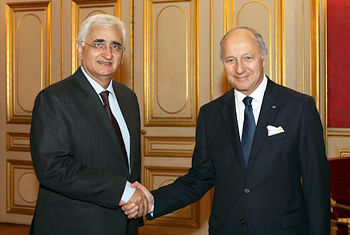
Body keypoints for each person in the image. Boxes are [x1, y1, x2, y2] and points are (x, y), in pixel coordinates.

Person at [122, 27, 331, 234]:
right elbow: (199, 178)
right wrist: (152, 202)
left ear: (263, 58)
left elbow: (316, 186)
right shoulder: (210, 114)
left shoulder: (299, 107)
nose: (239, 68)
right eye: (230, 60)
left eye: (247, 58)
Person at [30, 14, 148, 235]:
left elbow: (126, 164)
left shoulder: (128, 98)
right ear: (79, 49)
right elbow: (52, 169)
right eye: (98, 44)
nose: (107, 53)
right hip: (73, 226)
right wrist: (122, 191)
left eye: (116, 46)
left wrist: (134, 206)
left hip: (122, 224)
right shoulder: (54, 98)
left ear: (123, 54)